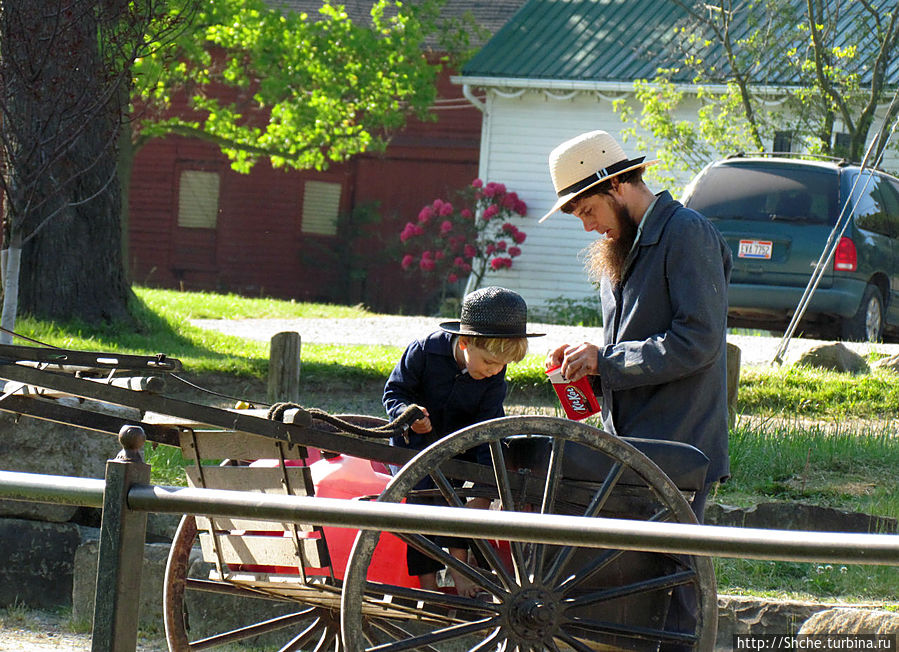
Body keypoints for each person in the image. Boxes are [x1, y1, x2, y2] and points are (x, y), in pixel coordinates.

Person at [540, 129, 733, 521]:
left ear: (615, 185)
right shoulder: (619, 247)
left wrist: (605, 360)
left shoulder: (686, 232)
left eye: (588, 211)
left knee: (670, 561)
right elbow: (631, 345)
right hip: (630, 449)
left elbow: (699, 341)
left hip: (677, 448)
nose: (588, 227)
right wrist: (586, 366)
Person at [383, 285, 543, 596]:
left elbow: (488, 429)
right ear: (466, 342)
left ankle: (460, 567)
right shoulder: (424, 352)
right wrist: (408, 415)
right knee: (422, 504)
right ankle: (428, 584)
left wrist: (485, 485)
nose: (495, 371)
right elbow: (394, 392)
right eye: (489, 363)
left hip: (463, 452)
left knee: (460, 501)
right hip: (416, 448)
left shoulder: (493, 376)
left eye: (502, 366)